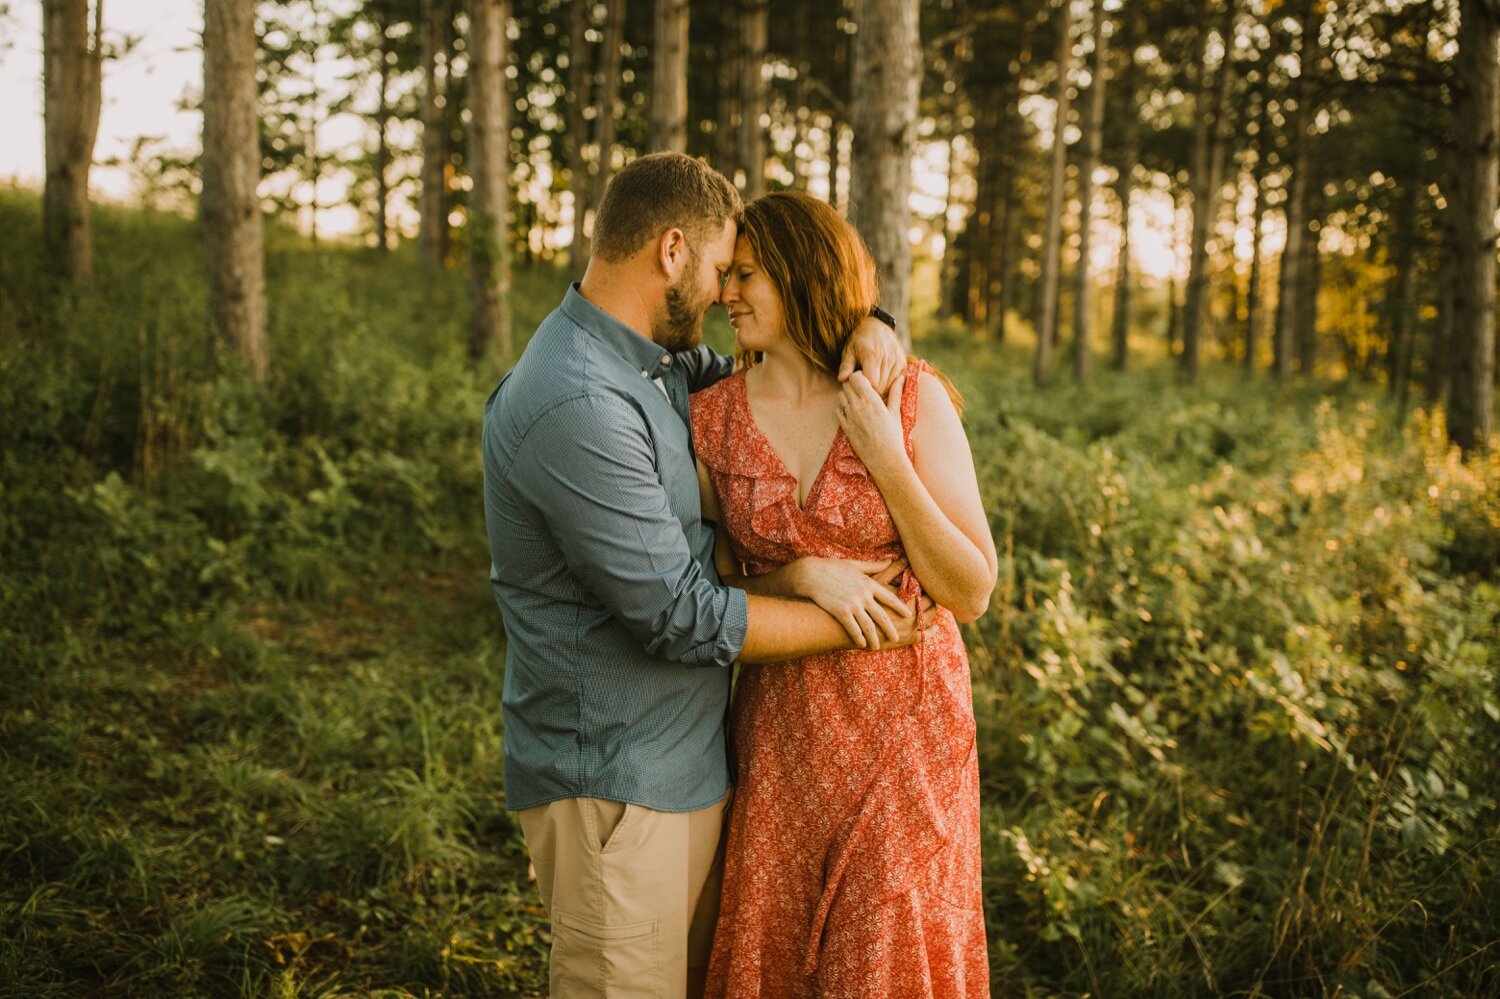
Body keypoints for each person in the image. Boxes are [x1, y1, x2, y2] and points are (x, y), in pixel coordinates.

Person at [481, 153, 918, 999]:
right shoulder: (579, 400)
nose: (725, 294)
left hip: (683, 772)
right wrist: (863, 609)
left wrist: (874, 320)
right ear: (673, 251)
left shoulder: (656, 366)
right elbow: (678, 616)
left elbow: (779, 370)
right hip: (613, 788)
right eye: (723, 267)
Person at [691, 190, 998, 997]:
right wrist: (795, 576)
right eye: (727, 275)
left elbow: (971, 589)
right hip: (780, 736)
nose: (727, 294)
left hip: (907, 726)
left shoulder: (909, 396)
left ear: (799, 272)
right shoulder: (710, 421)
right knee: (781, 948)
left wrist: (884, 453)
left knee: (882, 950)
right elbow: (712, 577)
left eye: (746, 275)